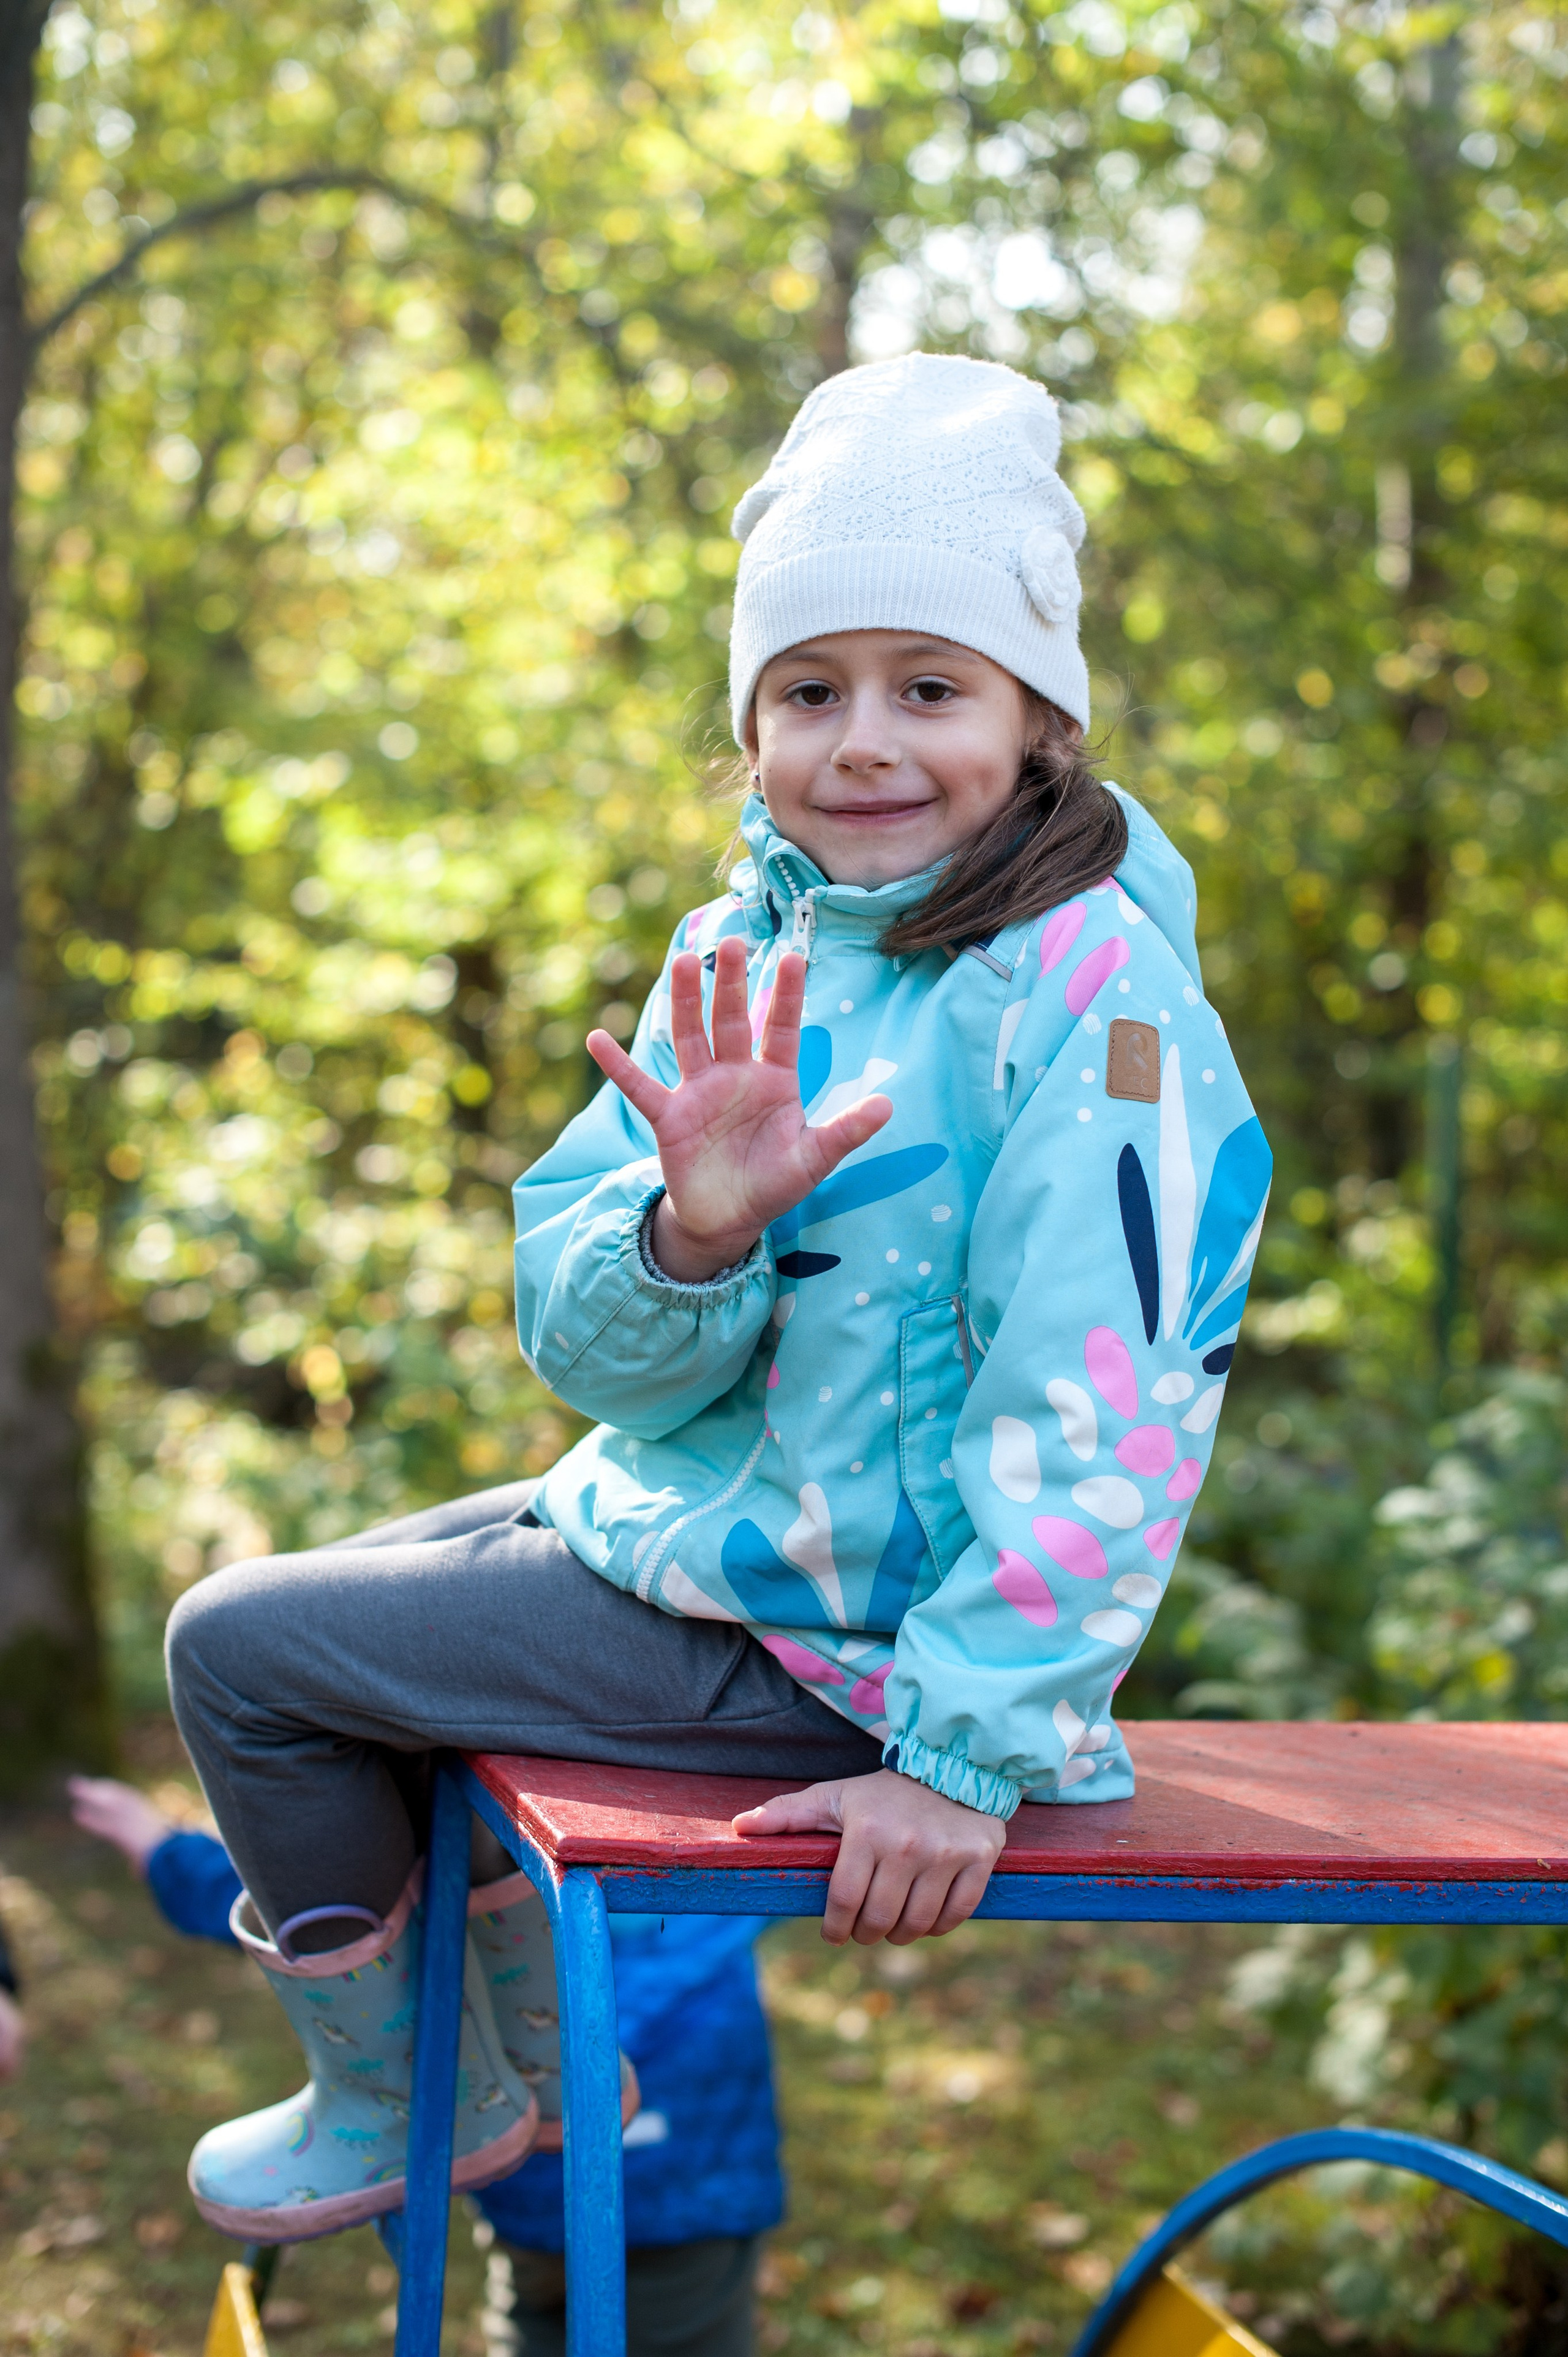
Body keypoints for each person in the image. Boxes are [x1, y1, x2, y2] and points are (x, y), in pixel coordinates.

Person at [164, 352, 1271, 2248]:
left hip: (846, 1639)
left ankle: (402, 2092)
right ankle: (529, 2059)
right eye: (808, 689)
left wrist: (959, 1756)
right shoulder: (738, 950)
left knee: (240, 1650)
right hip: (704, 1532)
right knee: (325, 1625)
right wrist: (692, 1234)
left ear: (1038, 724)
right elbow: (589, 1349)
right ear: (749, 724)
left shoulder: (1096, 996)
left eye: (931, 686)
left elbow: (1116, 1390)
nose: (865, 741)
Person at [69, 1776, 780, 2357]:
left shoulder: (483, 1828)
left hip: (539, 2168)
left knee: (537, 2316)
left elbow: (315, 1900)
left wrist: (162, 1848)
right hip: (687, 2186)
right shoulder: (714, 1842)